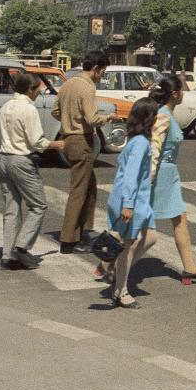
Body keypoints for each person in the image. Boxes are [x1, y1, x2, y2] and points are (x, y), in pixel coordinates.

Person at [52, 50, 122, 254]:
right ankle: (69, 240)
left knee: (89, 187)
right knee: (79, 191)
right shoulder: (87, 87)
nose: (102, 76)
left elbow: (55, 111)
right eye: (102, 72)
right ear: (95, 69)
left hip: (69, 138)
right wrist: (109, 117)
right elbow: (92, 119)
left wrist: (68, 121)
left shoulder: (68, 83)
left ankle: (83, 231)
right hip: (82, 138)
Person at [0, 73, 65, 271]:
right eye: (38, 89)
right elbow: (37, 141)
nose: (39, 93)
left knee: (11, 209)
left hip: (3, 159)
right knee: (38, 205)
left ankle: (7, 255)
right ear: (30, 89)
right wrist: (56, 144)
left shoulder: (5, 106)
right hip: (21, 160)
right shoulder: (28, 109)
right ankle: (22, 246)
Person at [149, 77, 196, 281]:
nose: (184, 93)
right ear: (174, 94)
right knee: (138, 222)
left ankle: (189, 266)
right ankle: (108, 261)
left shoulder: (166, 113)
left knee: (179, 218)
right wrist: (149, 177)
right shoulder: (162, 116)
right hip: (159, 174)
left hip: (168, 174)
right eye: (182, 90)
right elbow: (154, 147)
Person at [107, 98, 160, 309]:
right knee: (128, 247)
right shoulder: (140, 143)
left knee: (150, 237)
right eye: (155, 115)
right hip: (130, 200)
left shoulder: (137, 140)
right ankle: (121, 290)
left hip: (139, 200)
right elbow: (131, 175)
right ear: (150, 118)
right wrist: (127, 204)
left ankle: (116, 270)